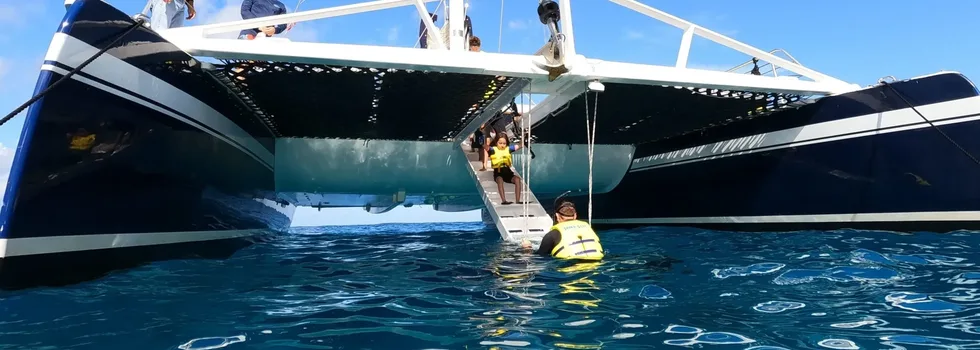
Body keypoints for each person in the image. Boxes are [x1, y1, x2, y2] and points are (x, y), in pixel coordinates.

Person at [522, 201, 604, 260]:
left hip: (570, 268)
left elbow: (539, 257)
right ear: (575, 215)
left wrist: (527, 249)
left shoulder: (553, 234)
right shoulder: (588, 228)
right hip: (596, 264)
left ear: (557, 216)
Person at [487, 134, 524, 205]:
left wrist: (524, 135)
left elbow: (520, 145)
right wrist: (485, 137)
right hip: (498, 173)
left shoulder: (509, 149)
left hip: (508, 173)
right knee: (500, 180)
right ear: (496, 143)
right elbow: (485, 146)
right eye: (500, 143)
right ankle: (504, 201)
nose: (502, 145)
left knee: (517, 179)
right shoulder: (493, 150)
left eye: (504, 143)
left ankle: (518, 200)